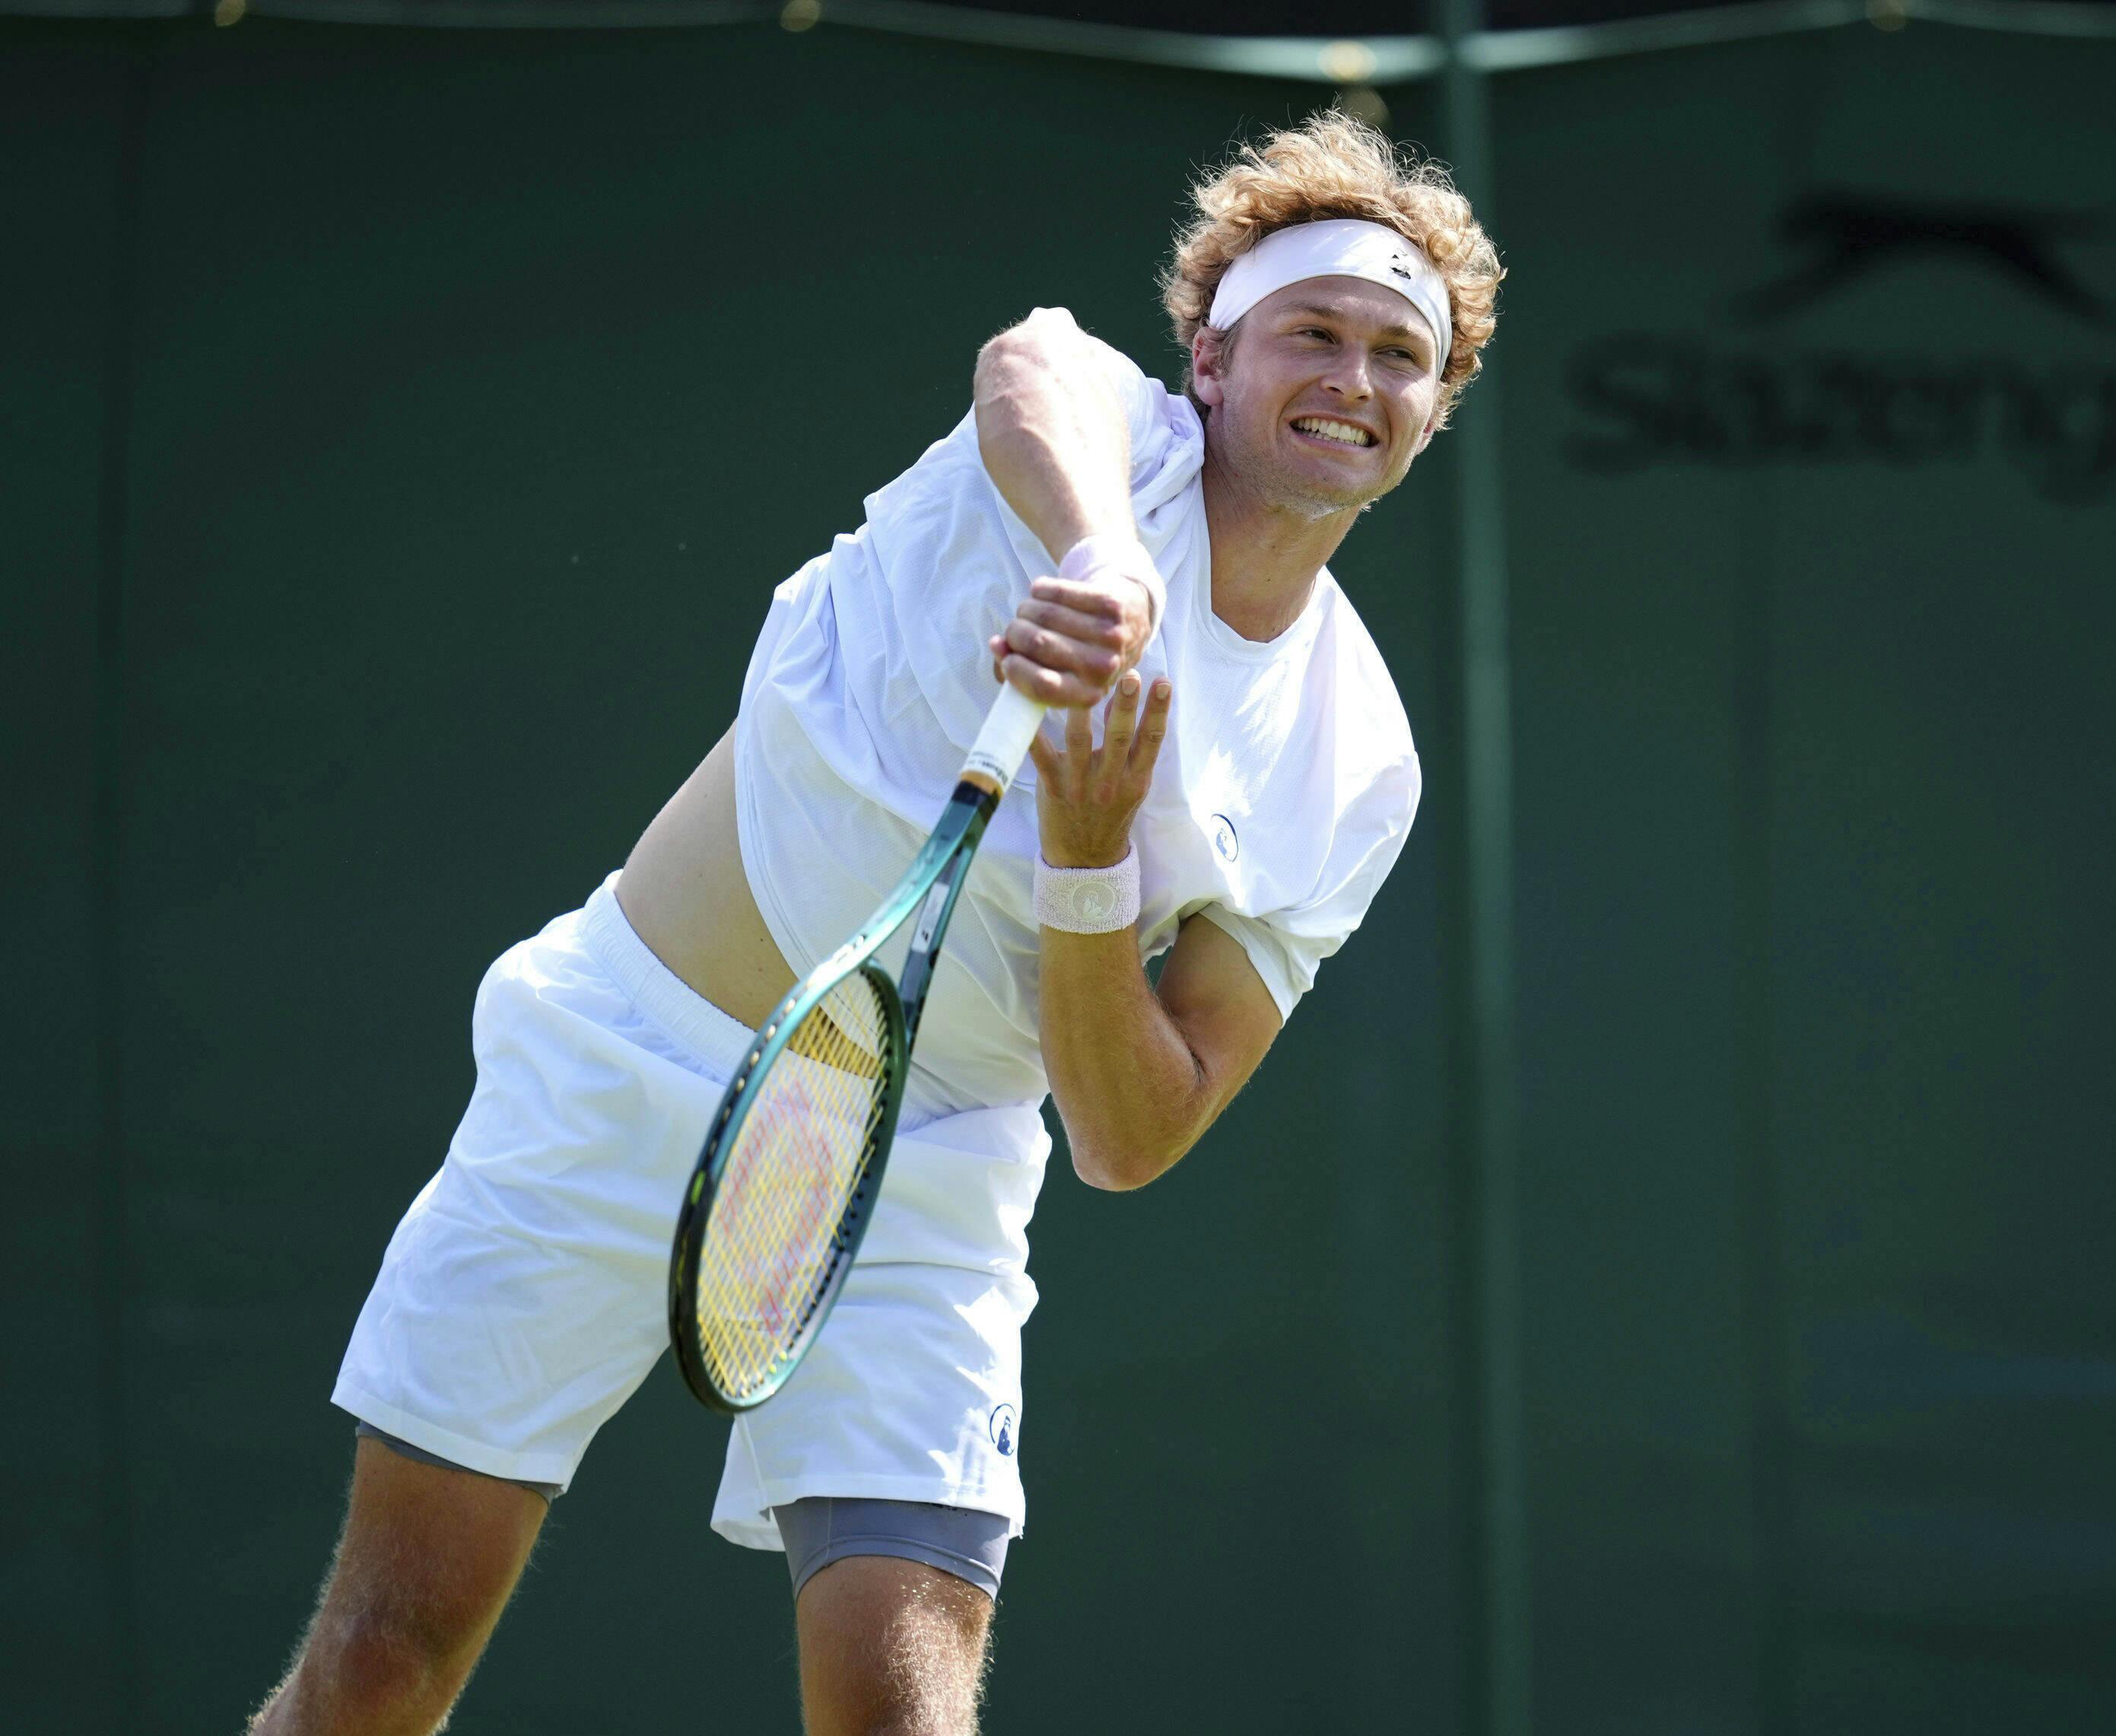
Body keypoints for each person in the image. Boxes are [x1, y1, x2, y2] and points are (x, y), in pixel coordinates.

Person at [246, 111, 1504, 1736]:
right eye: (1311, 332)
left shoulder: (1358, 760)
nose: (1353, 374)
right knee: (379, 1666)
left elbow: (1133, 1135)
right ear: (1207, 358)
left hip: (924, 1173)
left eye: (1399, 354)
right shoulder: (1101, 426)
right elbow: (1018, 364)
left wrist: (1090, 860)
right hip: (622, 1055)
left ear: (1433, 409)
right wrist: (1106, 558)